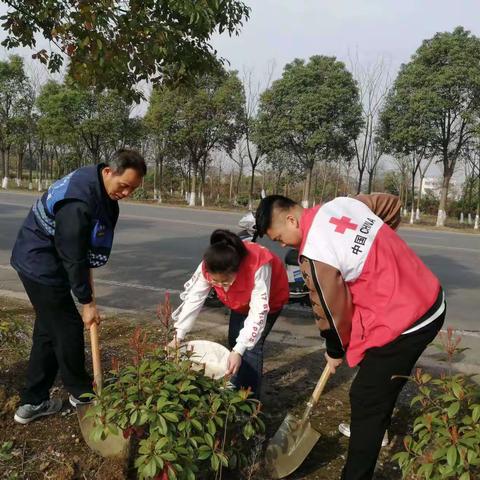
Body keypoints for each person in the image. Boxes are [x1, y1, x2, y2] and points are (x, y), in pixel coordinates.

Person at [255, 194, 446, 480]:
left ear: (291, 219)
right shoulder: (342, 204)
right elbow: (390, 204)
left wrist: (334, 350)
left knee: (365, 396)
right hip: (429, 295)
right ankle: (378, 426)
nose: (282, 244)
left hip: (410, 320)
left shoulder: (315, 253)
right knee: (379, 380)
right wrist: (378, 253)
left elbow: (332, 313)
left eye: (279, 237)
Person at [11, 149, 146, 424]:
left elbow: (81, 250)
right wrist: (87, 303)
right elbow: (73, 257)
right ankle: (82, 394)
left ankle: (32, 402)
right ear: (108, 172)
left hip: (48, 258)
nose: (127, 193)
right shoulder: (78, 202)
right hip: (39, 262)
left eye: (133, 189)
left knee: (49, 329)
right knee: (69, 328)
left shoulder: (96, 182)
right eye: (124, 186)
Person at [170, 229, 289, 398]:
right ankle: (236, 381)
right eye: (215, 282)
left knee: (251, 348)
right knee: (234, 340)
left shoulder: (257, 265)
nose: (222, 287)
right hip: (239, 303)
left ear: (238, 270)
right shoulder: (209, 265)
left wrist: (239, 350)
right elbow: (194, 299)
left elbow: (258, 312)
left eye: (225, 281)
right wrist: (178, 336)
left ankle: (248, 399)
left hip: (269, 301)